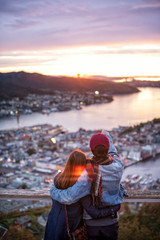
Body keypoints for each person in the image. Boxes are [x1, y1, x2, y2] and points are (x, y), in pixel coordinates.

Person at [50, 132, 125, 240]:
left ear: (92, 150)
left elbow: (69, 197)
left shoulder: (87, 174)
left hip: (91, 223)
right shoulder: (118, 165)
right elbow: (113, 152)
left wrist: (53, 190)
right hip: (111, 221)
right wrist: (105, 134)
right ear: (107, 148)